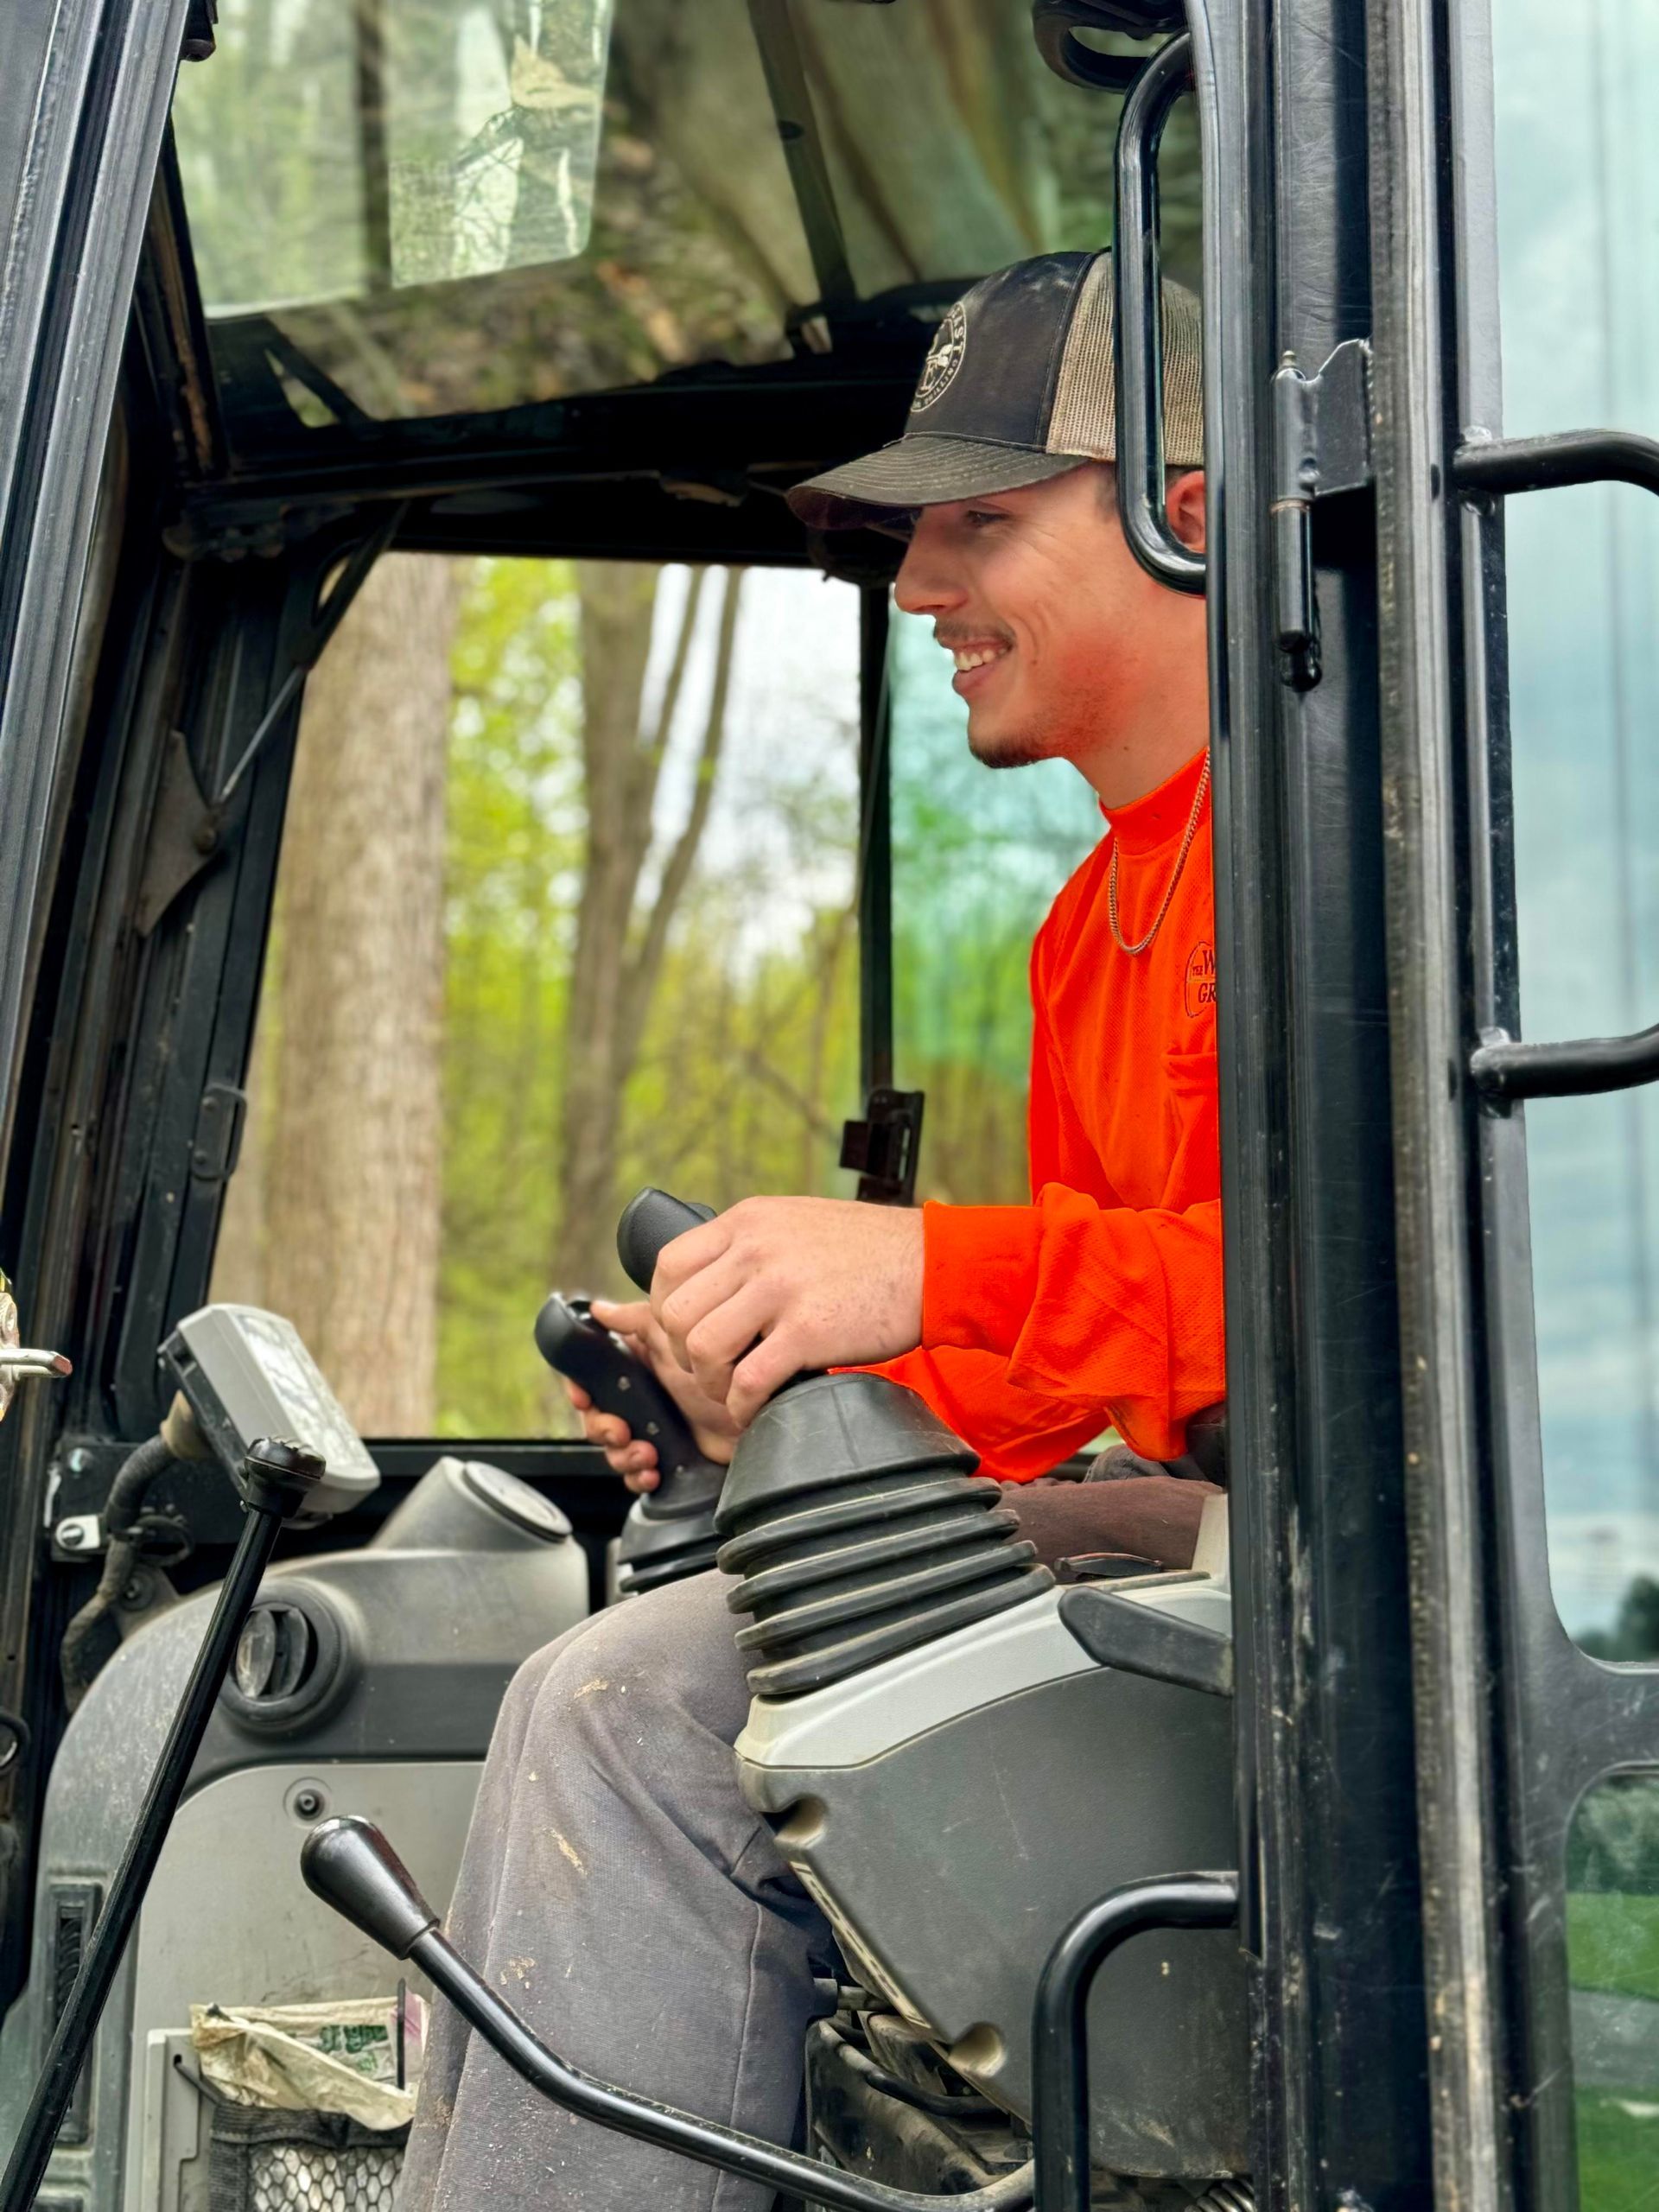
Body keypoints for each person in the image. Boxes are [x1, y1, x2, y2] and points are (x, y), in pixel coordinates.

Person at [396, 249, 1222, 2212]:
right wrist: (782, 1371)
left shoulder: (1344, 853)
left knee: (631, 1707)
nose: (921, 588)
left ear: (1187, 518)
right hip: (1184, 1532)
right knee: (672, 1637)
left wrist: (923, 1262)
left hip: (1337, 1586)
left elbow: (1338, 1330)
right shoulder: (1086, 922)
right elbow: (1073, 1376)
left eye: (978, 524)